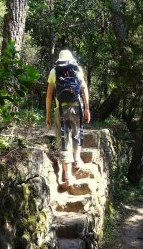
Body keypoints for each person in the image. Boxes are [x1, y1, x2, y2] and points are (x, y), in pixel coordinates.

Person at [45, 50, 91, 185]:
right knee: (77, 133)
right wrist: (87, 108)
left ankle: (67, 176)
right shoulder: (77, 69)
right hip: (77, 107)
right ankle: (76, 160)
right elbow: (84, 89)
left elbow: (48, 96)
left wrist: (47, 115)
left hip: (60, 109)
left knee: (64, 140)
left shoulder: (54, 72)